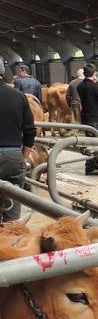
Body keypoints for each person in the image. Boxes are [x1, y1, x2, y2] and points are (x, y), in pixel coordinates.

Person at [0, 80, 36, 221]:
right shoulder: (19, 96)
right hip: (13, 156)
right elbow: (30, 130)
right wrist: (24, 158)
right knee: (13, 210)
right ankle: (12, 238)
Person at [78, 63, 98, 173]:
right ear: (94, 74)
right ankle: (92, 166)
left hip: (86, 118)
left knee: (89, 142)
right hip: (96, 118)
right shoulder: (95, 87)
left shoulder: (80, 86)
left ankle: (92, 165)